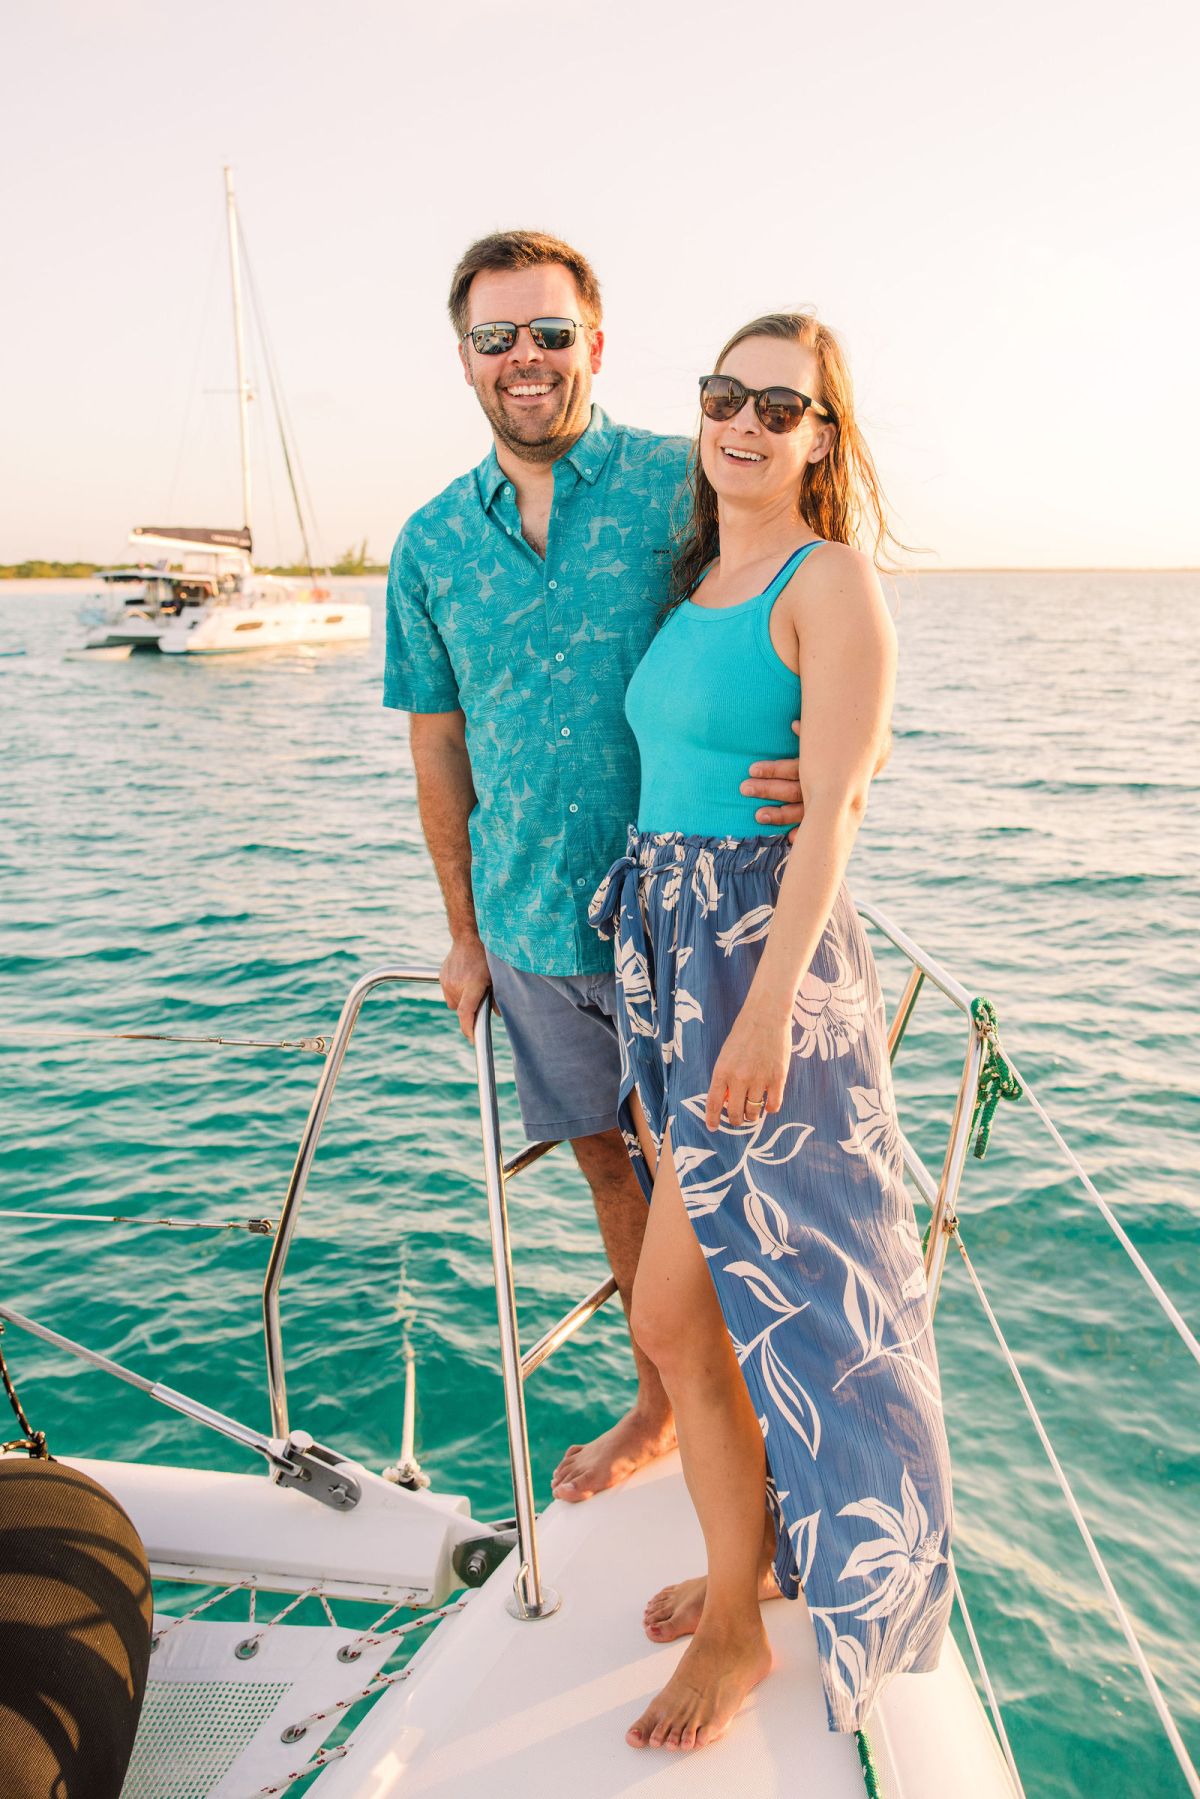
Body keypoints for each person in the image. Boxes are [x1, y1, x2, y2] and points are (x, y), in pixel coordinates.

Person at [383, 232, 809, 1504]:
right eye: (498, 336)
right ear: (463, 357)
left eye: (551, 332)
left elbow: (817, 600)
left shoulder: (686, 481)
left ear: (596, 343)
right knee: (611, 1168)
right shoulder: (427, 545)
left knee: (716, 1178)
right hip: (529, 928)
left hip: (692, 916)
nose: (527, 358)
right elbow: (439, 749)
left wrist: (853, 754)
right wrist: (463, 932)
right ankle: (662, 1402)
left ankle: (772, 1438)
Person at [588, 311, 954, 1751]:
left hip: (759, 970)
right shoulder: (700, 580)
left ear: (821, 436)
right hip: (679, 957)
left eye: (780, 405)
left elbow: (840, 804)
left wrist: (763, 1009)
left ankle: (752, 1618)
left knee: (746, 1302)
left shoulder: (829, 577)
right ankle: (758, 1565)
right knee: (708, 1304)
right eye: (725, 394)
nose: (745, 420)